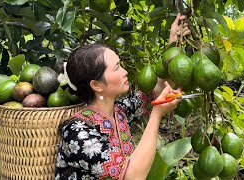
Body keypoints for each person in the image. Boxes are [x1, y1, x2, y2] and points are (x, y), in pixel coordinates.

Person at [55, 14, 190, 180]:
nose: (125, 72)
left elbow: (155, 91)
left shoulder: (119, 111)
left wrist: (173, 45)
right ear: (96, 85)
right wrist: (156, 115)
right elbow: (132, 176)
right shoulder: (77, 133)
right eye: (117, 68)